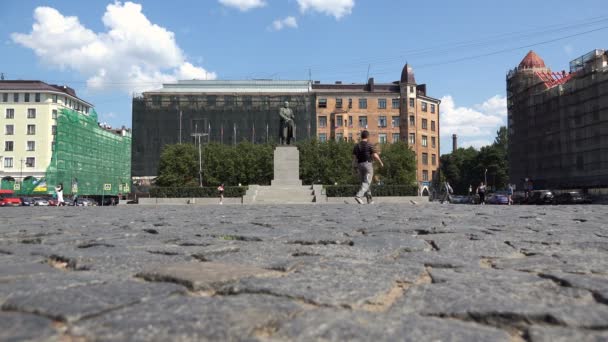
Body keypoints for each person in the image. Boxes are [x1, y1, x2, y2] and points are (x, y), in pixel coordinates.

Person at [352, 130, 383, 204]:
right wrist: (380, 162)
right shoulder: (369, 145)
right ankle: (358, 196)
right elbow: (375, 155)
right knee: (367, 182)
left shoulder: (356, 146)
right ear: (368, 136)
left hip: (359, 165)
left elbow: (354, 158)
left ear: (361, 136)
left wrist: (353, 167)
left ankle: (369, 199)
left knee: (364, 182)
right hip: (367, 165)